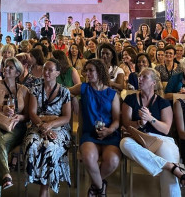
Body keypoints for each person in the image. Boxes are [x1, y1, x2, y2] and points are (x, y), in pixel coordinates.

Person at [120, 68, 183, 196]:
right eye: (140, 76)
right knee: (124, 143)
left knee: (168, 164)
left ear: (153, 82)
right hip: (138, 139)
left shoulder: (163, 102)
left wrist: (150, 119)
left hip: (161, 140)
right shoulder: (130, 99)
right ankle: (170, 166)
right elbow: (126, 124)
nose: (140, 79)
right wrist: (139, 123)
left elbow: (165, 129)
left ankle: (169, 167)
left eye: (144, 77)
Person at [69, 59, 121, 196]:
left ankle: (94, 186)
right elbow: (65, 92)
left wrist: (109, 130)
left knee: (113, 160)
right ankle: (100, 189)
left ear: (100, 72)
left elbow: (117, 120)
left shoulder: (112, 94)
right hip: (90, 134)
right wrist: (73, 98)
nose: (87, 73)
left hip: (109, 133)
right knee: (88, 157)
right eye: (86, 71)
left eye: (91, 70)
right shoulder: (83, 88)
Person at [24, 58, 72, 196]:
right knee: (32, 144)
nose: (46, 72)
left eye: (50, 70)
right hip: (37, 125)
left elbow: (66, 117)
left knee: (50, 147)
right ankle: (36, 181)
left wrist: (50, 124)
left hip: (59, 128)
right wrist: (41, 125)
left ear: (57, 73)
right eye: (45, 69)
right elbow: (32, 113)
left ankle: (44, 190)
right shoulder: (36, 89)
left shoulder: (64, 92)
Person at [0, 57, 30, 195]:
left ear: (17, 73)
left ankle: (0, 183)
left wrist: (19, 117)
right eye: (5, 66)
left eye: (10, 67)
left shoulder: (23, 90)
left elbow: (27, 115)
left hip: (15, 127)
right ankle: (5, 174)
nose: (6, 69)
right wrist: (2, 108)